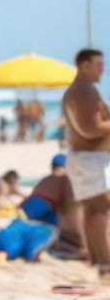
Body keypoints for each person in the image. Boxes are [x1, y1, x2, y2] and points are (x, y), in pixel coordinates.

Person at [61, 48, 110, 284]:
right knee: (101, 210)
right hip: (91, 158)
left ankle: (97, 261)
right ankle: (106, 264)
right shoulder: (85, 90)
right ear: (85, 65)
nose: (103, 69)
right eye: (99, 64)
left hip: (83, 158)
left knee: (92, 210)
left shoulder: (76, 90)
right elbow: (90, 129)